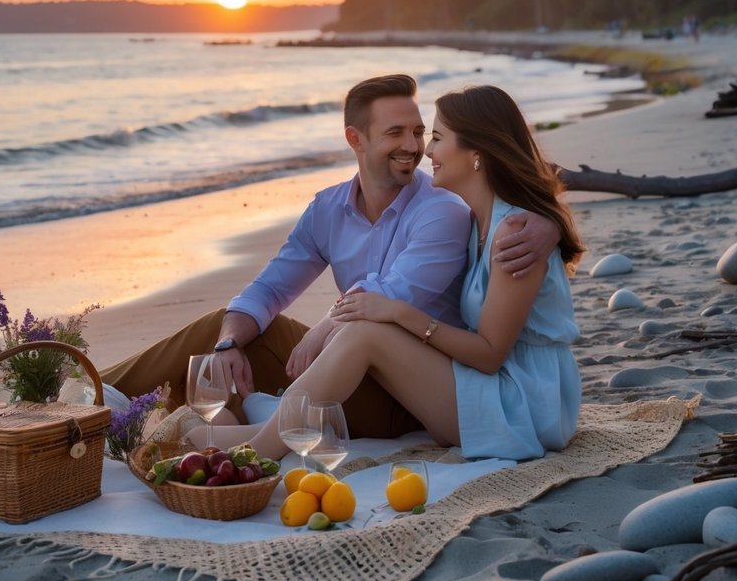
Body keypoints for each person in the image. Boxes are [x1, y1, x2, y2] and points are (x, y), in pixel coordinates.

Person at [103, 74, 560, 439]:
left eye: (422, 134)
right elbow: (269, 287)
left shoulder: (443, 211)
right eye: (396, 132)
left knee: (355, 333)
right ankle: (92, 394)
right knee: (227, 329)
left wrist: (325, 327)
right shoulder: (328, 208)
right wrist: (228, 342)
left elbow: (391, 294)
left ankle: (245, 434)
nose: (415, 147)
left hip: (406, 393)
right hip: (348, 365)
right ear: (355, 140)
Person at [221, 84, 584, 461]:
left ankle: (252, 458)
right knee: (361, 331)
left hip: (521, 405)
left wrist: (397, 313)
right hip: (487, 387)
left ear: (476, 153)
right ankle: (238, 443)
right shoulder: (479, 222)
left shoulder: (514, 234)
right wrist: (553, 222)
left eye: (436, 137)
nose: (425, 150)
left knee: (365, 334)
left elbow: (491, 354)